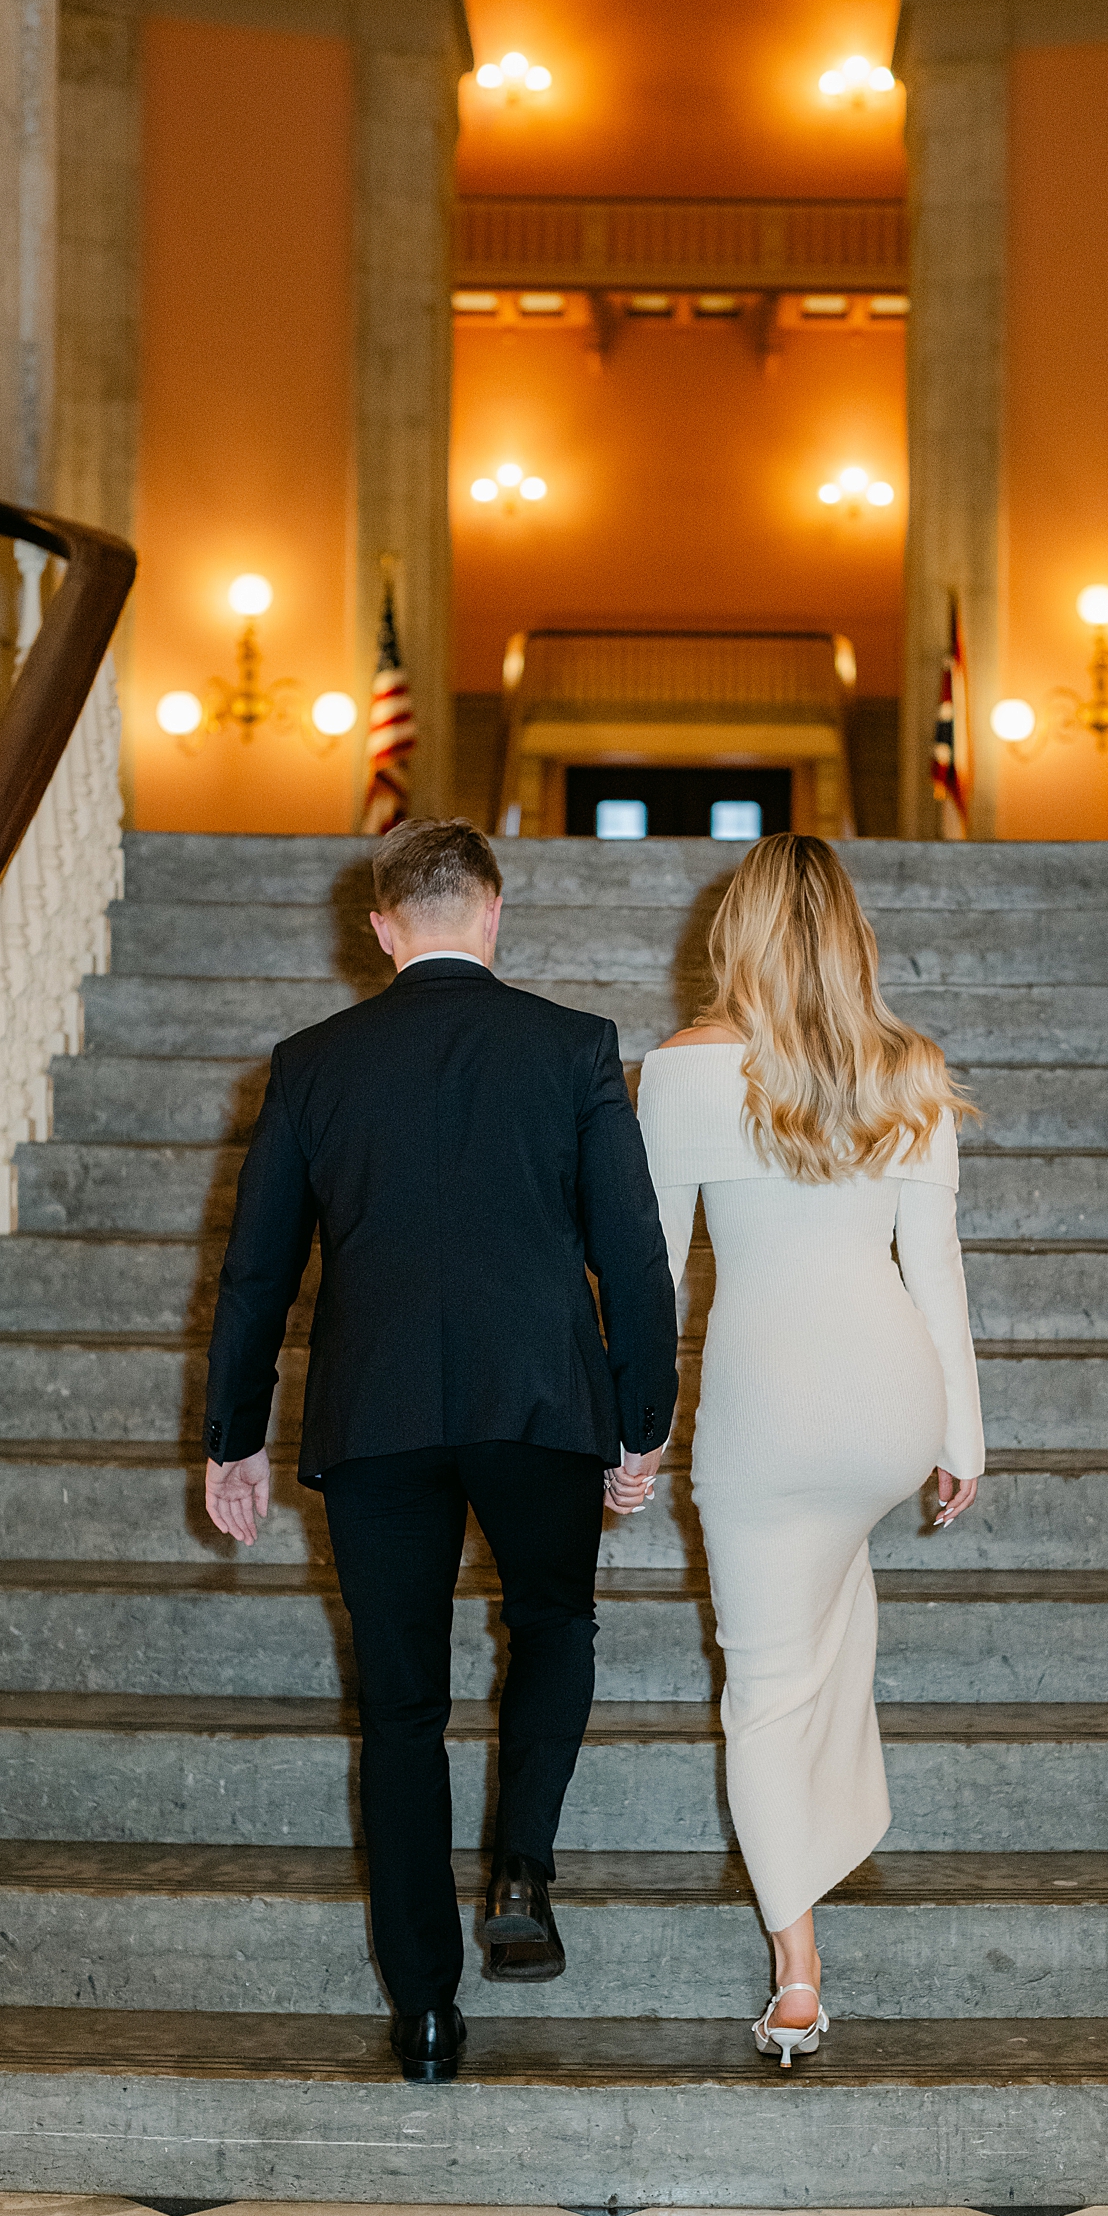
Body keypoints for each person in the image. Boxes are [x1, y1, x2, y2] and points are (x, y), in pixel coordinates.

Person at [201, 818, 677, 2085]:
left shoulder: (310, 1064)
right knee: (554, 1623)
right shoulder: (573, 1047)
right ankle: (522, 1858)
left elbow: (256, 1276)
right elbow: (631, 1250)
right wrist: (643, 1418)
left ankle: (423, 2009)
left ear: (381, 926)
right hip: (539, 1402)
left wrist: (233, 1438)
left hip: (377, 1417)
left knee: (399, 1712)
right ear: (495, 912)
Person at [638, 833, 985, 2067]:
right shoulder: (911, 1071)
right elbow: (932, 1268)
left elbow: (651, 1283)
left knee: (767, 1685)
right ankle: (837, 1827)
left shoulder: (678, 1074)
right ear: (851, 936)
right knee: (836, 1607)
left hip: (767, 1414)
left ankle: (797, 1968)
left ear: (734, 931)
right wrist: (960, 1434)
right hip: (888, 1404)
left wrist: (633, 1436)